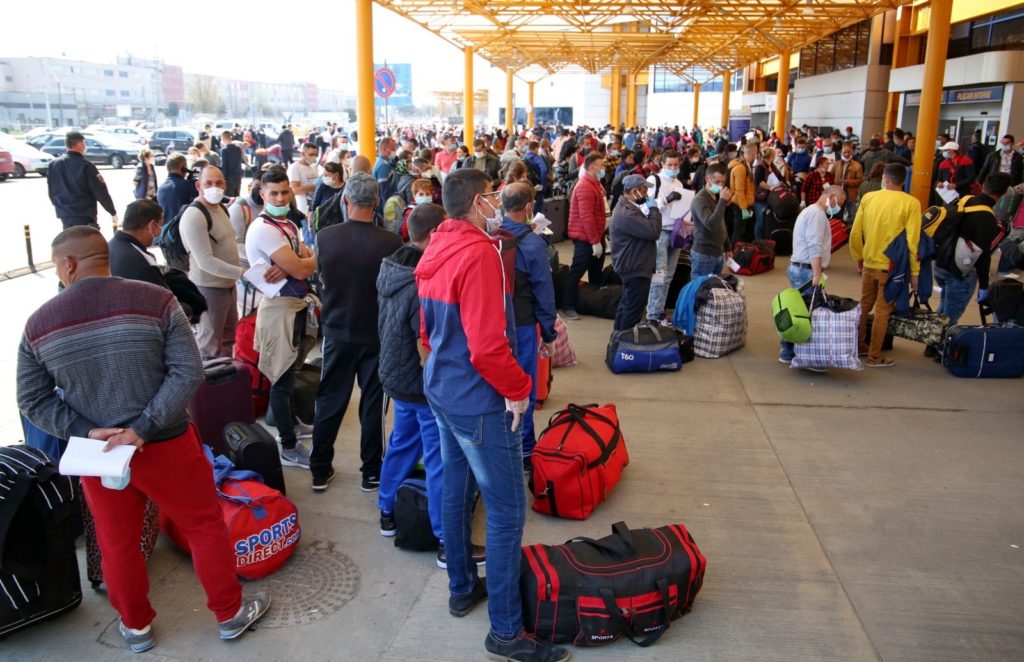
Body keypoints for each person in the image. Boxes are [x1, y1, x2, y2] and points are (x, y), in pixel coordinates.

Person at [17, 227, 269, 654]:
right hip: (167, 444)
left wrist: (88, 430)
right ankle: (229, 614)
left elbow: (31, 398)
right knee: (204, 527)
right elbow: (189, 373)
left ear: (68, 264)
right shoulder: (157, 301)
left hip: (100, 456)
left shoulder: (40, 323)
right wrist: (143, 428)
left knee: (118, 544)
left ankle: (136, 629)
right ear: (104, 258)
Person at [415, 168, 569, 662]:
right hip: (479, 399)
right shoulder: (479, 254)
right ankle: (505, 631)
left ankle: (462, 587)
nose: (496, 207)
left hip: (441, 387)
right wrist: (519, 389)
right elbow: (487, 347)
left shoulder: (437, 243)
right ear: (479, 201)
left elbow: (426, 327)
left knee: (457, 494)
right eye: (491, 199)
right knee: (505, 513)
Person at [310, 172, 403, 492]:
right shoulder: (391, 241)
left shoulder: (325, 237)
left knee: (329, 400)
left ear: (345, 200)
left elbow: (320, 279)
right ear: (377, 202)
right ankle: (371, 471)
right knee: (373, 404)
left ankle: (320, 468)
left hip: (336, 329)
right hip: (375, 333)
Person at [376, 203, 447, 542]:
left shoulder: (391, 266)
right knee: (437, 457)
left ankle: (386, 509)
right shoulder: (424, 279)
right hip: (420, 382)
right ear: (434, 234)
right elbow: (429, 338)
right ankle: (444, 536)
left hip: (395, 375)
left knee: (402, 443)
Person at [246, 167, 318, 468]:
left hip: (296, 305)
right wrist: (300, 263)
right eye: (273, 193)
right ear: (262, 194)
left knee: (291, 373)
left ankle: (293, 424)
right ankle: (287, 445)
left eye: (285, 192)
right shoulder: (263, 228)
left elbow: (309, 256)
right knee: (280, 377)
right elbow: (305, 267)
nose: (280, 197)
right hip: (279, 310)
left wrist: (297, 262)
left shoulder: (287, 224)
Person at [499, 182, 558, 466]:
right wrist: (548, 334)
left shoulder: (490, 236)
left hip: (490, 323)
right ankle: (523, 449)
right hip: (522, 325)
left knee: (496, 385)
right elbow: (544, 294)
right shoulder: (533, 244)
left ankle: (499, 445)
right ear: (529, 207)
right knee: (523, 386)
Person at [850, 163, 922, 368]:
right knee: (883, 312)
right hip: (892, 268)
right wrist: (915, 273)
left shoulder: (869, 198)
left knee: (863, 306)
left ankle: (858, 345)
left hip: (869, 263)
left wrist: (859, 256)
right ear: (903, 180)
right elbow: (912, 241)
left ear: (885, 178)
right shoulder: (911, 204)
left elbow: (855, 233)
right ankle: (874, 356)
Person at [181, 166, 243, 359]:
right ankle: (208, 387)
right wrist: (242, 273)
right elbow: (205, 261)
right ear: (199, 185)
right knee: (209, 346)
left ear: (225, 184)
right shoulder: (195, 215)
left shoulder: (222, 208)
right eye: (208, 183)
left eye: (218, 183)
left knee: (229, 339)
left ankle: (226, 383)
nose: (214, 187)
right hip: (209, 289)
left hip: (228, 287)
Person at [779, 185, 846, 364]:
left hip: (799, 267)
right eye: (838, 203)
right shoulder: (817, 215)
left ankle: (788, 350)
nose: (838, 208)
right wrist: (817, 273)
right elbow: (814, 245)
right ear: (831, 196)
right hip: (806, 270)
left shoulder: (810, 210)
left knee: (797, 311)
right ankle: (791, 351)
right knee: (805, 314)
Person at [933, 172, 1011, 325]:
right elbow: (983, 254)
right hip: (960, 273)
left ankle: (932, 340)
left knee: (943, 309)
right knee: (950, 317)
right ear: (1004, 193)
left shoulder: (966, 199)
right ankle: (938, 347)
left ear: (984, 186)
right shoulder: (987, 217)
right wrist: (983, 286)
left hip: (941, 264)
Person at [611, 174, 663, 331]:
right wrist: (654, 210)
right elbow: (653, 231)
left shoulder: (627, 208)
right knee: (632, 311)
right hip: (635, 268)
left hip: (633, 264)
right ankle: (624, 344)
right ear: (635, 191)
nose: (646, 194)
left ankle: (617, 340)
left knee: (627, 306)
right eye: (644, 190)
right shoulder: (627, 213)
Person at [561, 151, 607, 320]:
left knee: (596, 269)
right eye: (601, 165)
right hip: (585, 237)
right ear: (593, 167)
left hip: (595, 235)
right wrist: (595, 241)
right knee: (577, 271)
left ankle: (594, 301)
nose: (604, 168)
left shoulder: (595, 184)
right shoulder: (585, 187)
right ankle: (568, 305)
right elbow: (586, 216)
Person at [645, 149, 689, 325]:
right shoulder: (653, 180)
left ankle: (659, 311)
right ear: (662, 164)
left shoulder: (678, 182)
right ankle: (651, 314)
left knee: (669, 275)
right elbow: (646, 207)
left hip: (676, 231)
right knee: (659, 274)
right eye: (670, 164)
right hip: (660, 232)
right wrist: (666, 200)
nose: (673, 167)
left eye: (676, 164)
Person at [47, 131, 117, 230]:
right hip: (84, 214)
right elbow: (100, 191)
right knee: (85, 243)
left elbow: (51, 192)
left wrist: (60, 207)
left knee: (70, 242)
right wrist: (112, 211)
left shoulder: (53, 164)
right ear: (80, 144)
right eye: (84, 143)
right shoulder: (86, 166)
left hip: (65, 214)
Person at [109, 199, 168, 289]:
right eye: (160, 225)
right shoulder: (144, 264)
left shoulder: (110, 246)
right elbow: (166, 299)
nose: (160, 231)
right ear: (152, 226)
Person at [690, 163, 734, 278]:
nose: (721, 185)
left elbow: (721, 223)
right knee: (701, 290)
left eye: (723, 182)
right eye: (717, 182)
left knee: (714, 290)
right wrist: (723, 201)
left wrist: (728, 247)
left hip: (718, 252)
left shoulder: (716, 197)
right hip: (704, 254)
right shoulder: (700, 199)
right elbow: (711, 224)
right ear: (707, 179)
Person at [228, 176, 265, 268]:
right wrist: (263, 260)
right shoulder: (239, 209)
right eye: (257, 186)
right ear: (250, 186)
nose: (260, 190)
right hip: (247, 266)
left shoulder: (273, 207)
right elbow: (236, 244)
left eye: (264, 187)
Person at [728, 142, 757, 244]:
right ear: (754, 153)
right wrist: (744, 208)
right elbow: (739, 190)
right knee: (739, 231)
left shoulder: (745, 165)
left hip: (743, 203)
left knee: (743, 231)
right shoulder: (741, 168)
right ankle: (735, 254)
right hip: (739, 205)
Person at [157, 152, 198, 224]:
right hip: (183, 229)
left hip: (167, 230)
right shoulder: (188, 185)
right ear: (183, 167)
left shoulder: (161, 188)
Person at [288, 142, 320, 217]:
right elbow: (295, 190)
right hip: (303, 209)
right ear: (303, 154)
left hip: (314, 207)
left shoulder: (314, 167)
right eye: (311, 154)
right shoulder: (295, 168)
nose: (314, 157)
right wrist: (314, 185)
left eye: (316, 155)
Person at [219, 132, 244, 198]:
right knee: (237, 195)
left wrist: (223, 177)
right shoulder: (238, 148)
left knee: (229, 197)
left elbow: (225, 165)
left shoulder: (225, 150)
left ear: (223, 139)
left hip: (229, 176)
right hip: (238, 175)